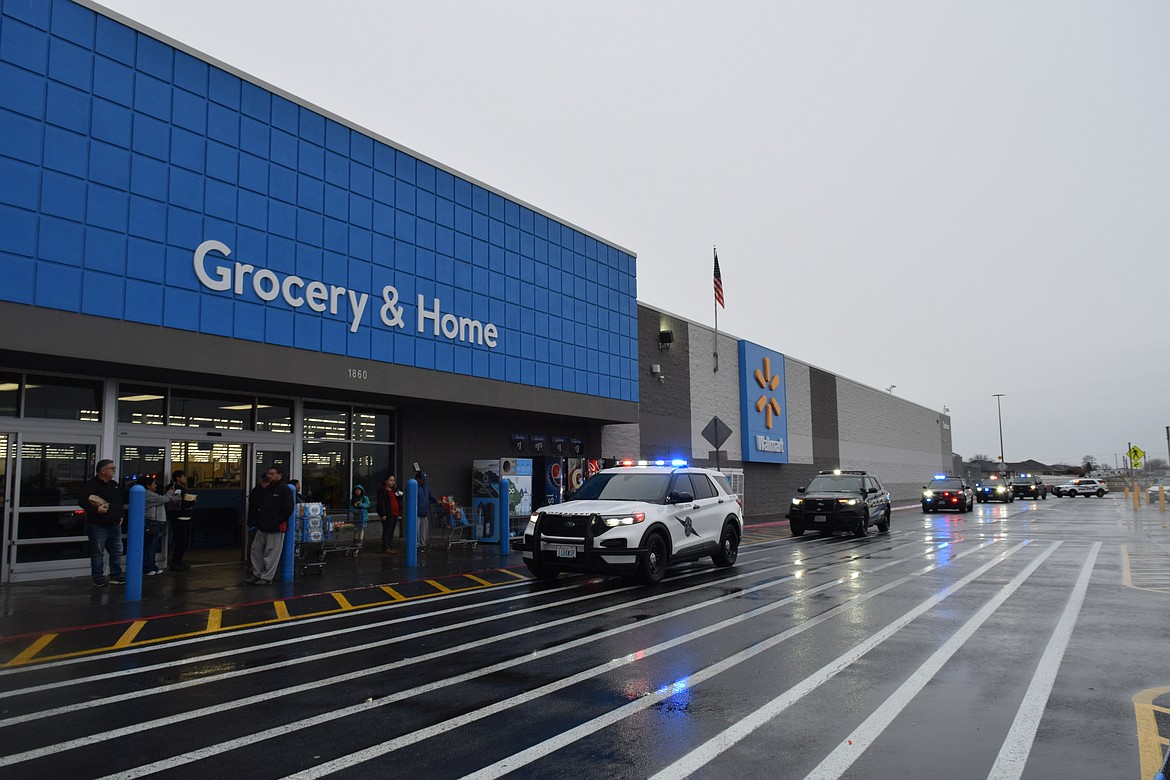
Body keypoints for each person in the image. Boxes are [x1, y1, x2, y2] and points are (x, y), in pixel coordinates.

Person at [79, 459, 125, 586]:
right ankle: (98, 578)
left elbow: (119, 501)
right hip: (98, 524)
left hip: (114, 524)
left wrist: (121, 515)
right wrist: (96, 510)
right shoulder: (91, 485)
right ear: (103, 470)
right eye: (111, 468)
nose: (114, 471)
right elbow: (82, 501)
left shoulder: (114, 485)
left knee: (117, 550)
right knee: (98, 552)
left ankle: (116, 574)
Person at [245, 465, 294, 585]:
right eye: (268, 474)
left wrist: (278, 520)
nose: (269, 476)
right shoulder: (267, 489)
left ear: (279, 475)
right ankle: (257, 573)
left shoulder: (284, 490)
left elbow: (288, 508)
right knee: (256, 550)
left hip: (275, 527)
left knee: (271, 553)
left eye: (272, 474)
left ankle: (267, 577)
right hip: (262, 526)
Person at [163, 470, 196, 571]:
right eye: (183, 476)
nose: (185, 478)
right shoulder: (173, 489)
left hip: (184, 517)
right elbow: (177, 504)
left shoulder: (181, 489)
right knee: (181, 541)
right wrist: (191, 502)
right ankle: (176, 562)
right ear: (178, 478)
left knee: (183, 541)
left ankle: (179, 561)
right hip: (178, 517)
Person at [141, 476, 169, 576]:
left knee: (152, 547)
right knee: (150, 546)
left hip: (154, 521)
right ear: (148, 485)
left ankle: (152, 566)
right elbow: (164, 499)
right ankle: (147, 567)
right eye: (154, 483)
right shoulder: (149, 494)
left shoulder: (150, 494)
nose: (156, 485)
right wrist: (170, 492)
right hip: (152, 521)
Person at [376, 474, 402, 554]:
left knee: (391, 531)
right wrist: (383, 514)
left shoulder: (393, 491)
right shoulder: (382, 491)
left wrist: (400, 496)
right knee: (387, 530)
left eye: (393, 480)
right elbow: (381, 503)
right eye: (390, 480)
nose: (392, 482)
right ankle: (386, 547)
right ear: (386, 481)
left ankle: (390, 546)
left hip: (395, 514)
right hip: (388, 514)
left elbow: (397, 501)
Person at [414, 471, 439, 551]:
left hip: (424, 512)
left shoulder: (426, 486)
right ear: (418, 479)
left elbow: (430, 496)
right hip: (417, 513)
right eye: (422, 479)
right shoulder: (414, 487)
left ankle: (422, 544)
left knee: (424, 530)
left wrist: (436, 500)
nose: (424, 481)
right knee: (416, 531)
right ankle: (416, 545)